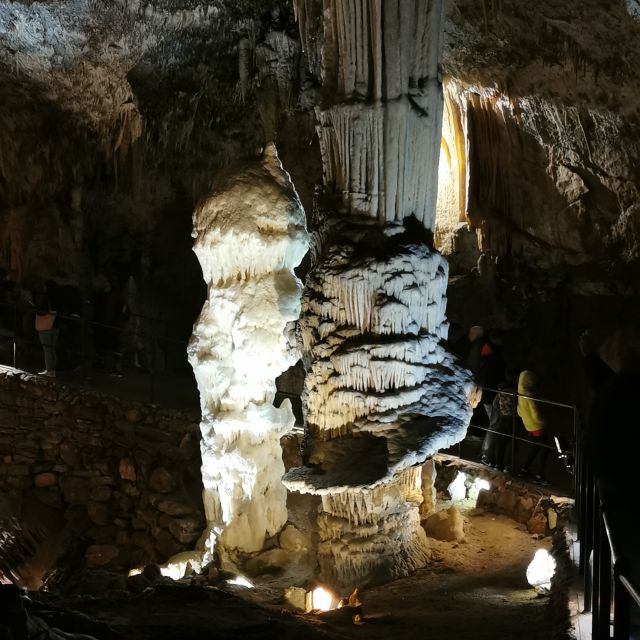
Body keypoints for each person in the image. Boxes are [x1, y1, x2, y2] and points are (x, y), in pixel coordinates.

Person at [515, 370, 550, 485]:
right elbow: (536, 414)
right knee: (546, 448)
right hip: (537, 426)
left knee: (536, 446)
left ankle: (524, 469)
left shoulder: (519, 393)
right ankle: (539, 475)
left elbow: (519, 412)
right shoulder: (529, 395)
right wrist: (544, 420)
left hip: (528, 426)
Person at [480, 379, 515, 471]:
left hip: (502, 418)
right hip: (510, 419)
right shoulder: (513, 393)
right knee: (510, 442)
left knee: (500, 442)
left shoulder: (501, 394)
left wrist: (501, 411)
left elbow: (495, 404)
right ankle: (506, 465)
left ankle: (497, 464)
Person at [33, 280, 59, 377]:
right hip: (56, 326)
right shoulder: (57, 298)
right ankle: (52, 370)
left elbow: (41, 312)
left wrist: (35, 307)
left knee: (47, 349)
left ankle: (49, 370)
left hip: (46, 327)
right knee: (52, 349)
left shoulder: (45, 297)